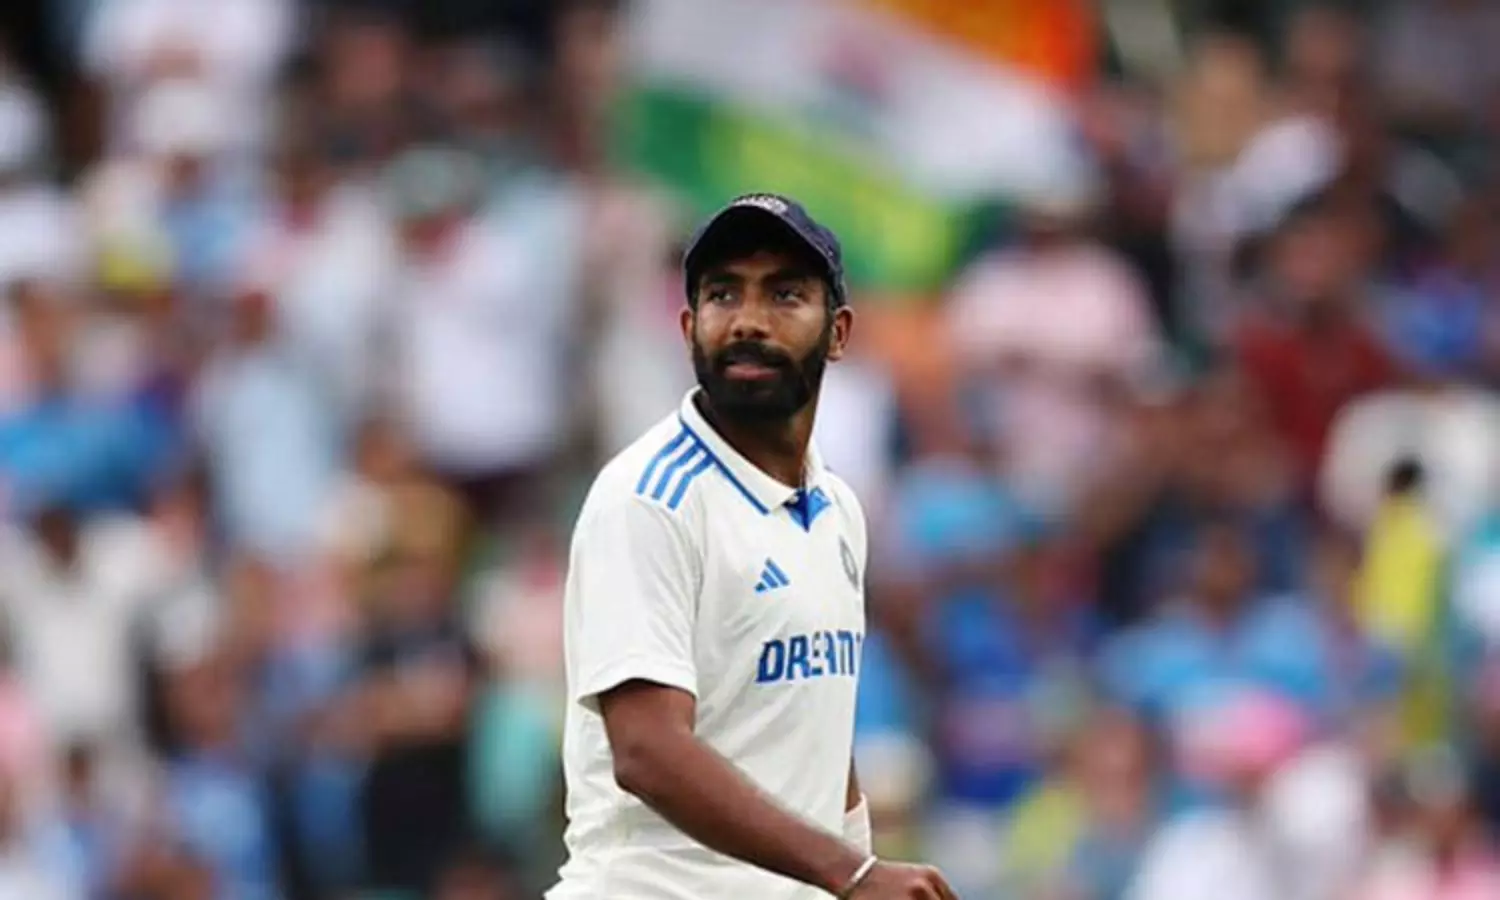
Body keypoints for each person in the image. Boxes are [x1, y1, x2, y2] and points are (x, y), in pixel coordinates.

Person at [547, 193, 956, 899]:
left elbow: (817, 735)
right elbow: (645, 751)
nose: (747, 320)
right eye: (722, 294)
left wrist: (855, 871)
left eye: (785, 295)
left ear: (838, 332)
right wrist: (853, 876)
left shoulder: (836, 508)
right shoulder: (649, 499)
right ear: (688, 327)